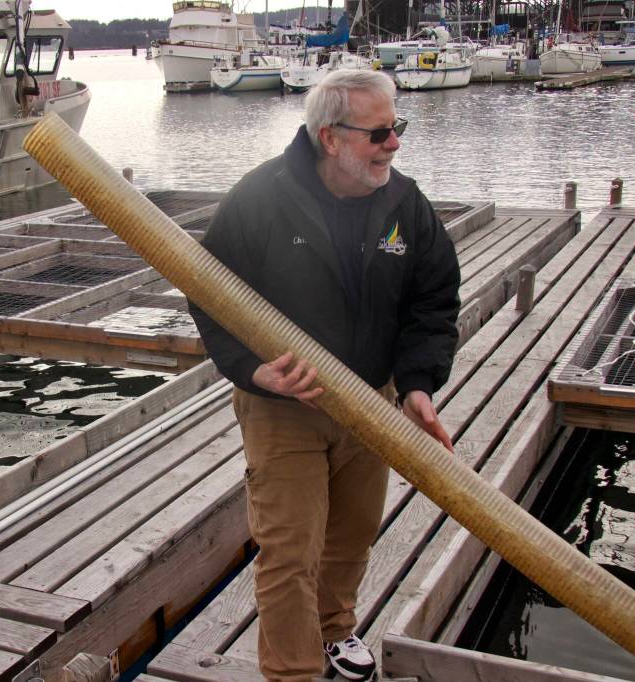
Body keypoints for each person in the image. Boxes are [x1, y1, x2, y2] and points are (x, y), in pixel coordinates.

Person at [188, 70, 460, 681]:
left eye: (397, 127)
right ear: (330, 138)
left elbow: (434, 298)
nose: (394, 143)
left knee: (355, 531)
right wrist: (254, 371)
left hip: (370, 400)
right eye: (379, 133)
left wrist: (417, 384)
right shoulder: (260, 198)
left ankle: (335, 628)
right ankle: (292, 673)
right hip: (285, 406)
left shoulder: (404, 203)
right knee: (290, 548)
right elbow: (206, 293)